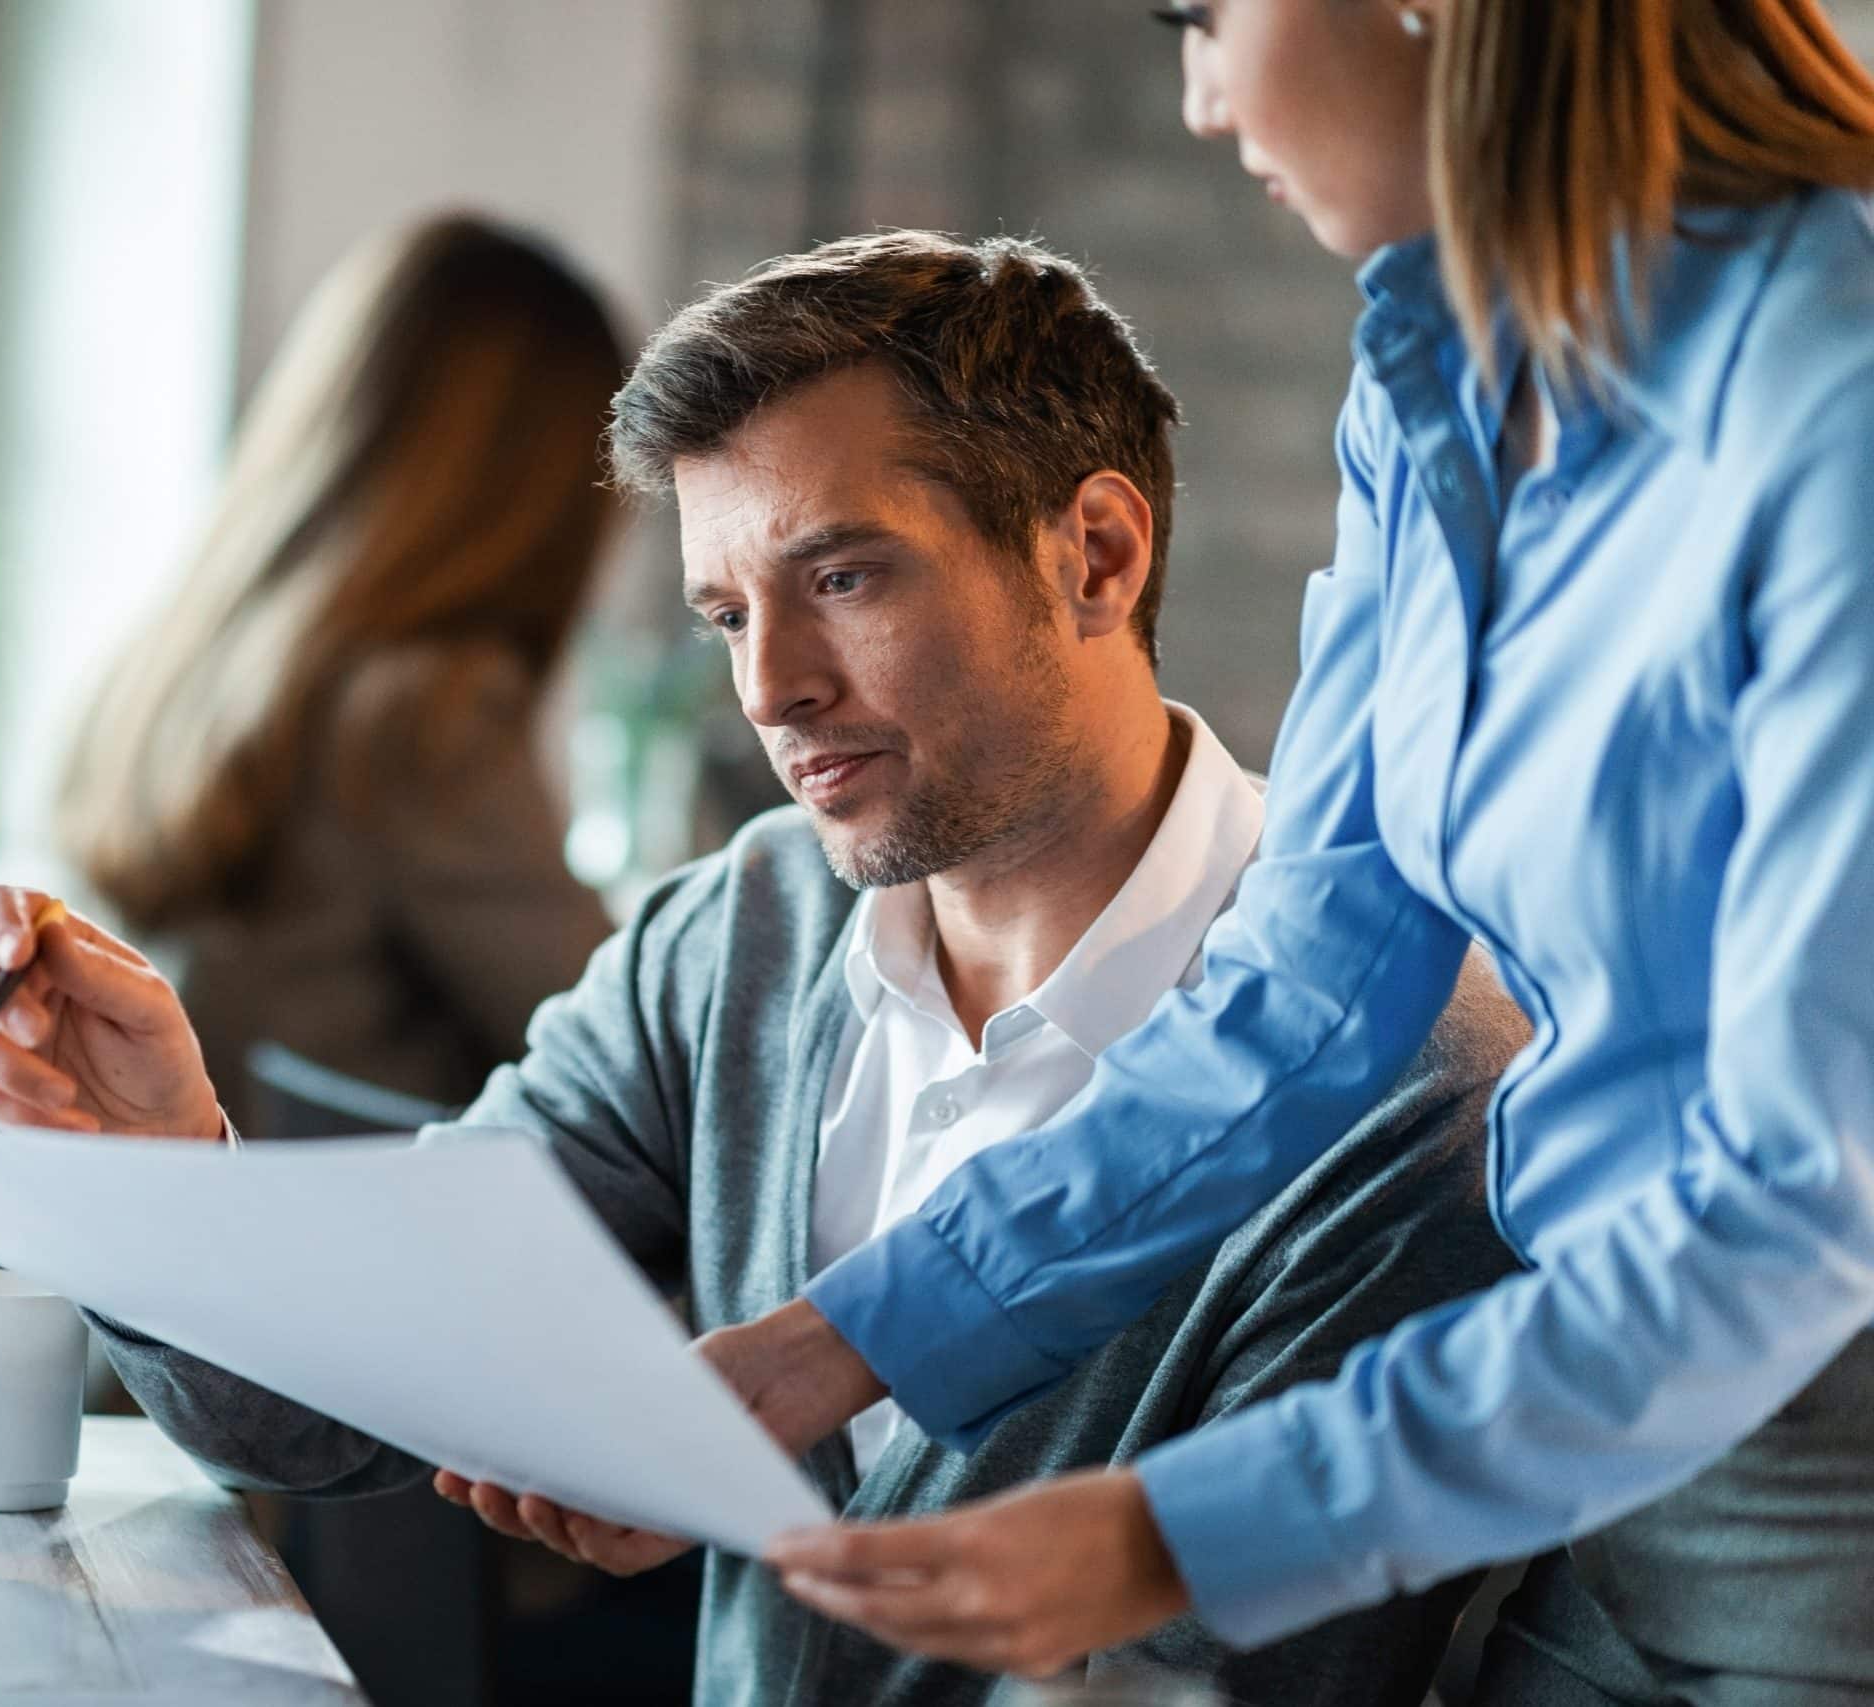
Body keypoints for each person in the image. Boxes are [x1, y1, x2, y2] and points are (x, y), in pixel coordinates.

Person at [0, 230, 1530, 1705]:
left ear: (1097, 555)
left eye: (844, 575)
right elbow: (314, 1415)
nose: (770, 687)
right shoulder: (744, 930)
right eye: (724, 611)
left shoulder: (1404, 1101)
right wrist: (160, 1181)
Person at [696, 5, 1874, 1701]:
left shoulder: (1831, 399)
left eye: (1204, 16)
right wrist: (842, 1342)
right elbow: (1307, 992)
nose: (1197, 96)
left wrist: (1178, 1529)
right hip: (1609, 1466)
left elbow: (1798, 1196)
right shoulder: (1441, 385)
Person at [53, 214, 621, 1126]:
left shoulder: (184, 659)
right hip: (344, 1241)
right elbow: (632, 1045)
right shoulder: (423, 710)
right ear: (538, 490)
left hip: (188, 1217)